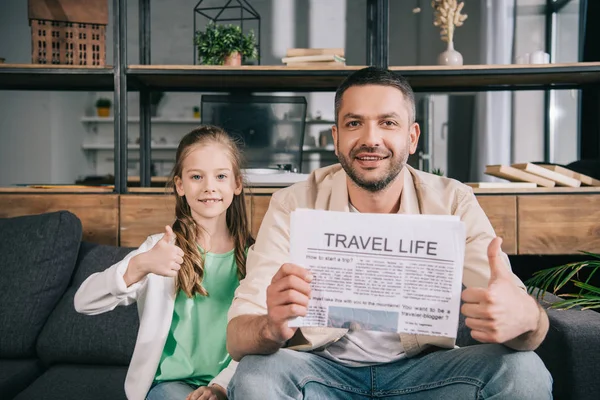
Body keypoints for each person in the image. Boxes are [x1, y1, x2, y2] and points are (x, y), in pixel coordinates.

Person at [225, 67, 553, 399]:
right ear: (336, 137)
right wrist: (270, 326)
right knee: (256, 374)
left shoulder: (453, 201)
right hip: (320, 373)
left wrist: (525, 318)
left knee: (523, 371)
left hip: (427, 373)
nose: (370, 139)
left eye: (388, 123)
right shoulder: (292, 203)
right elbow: (238, 336)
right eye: (354, 123)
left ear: (412, 137)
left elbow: (526, 329)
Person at [75, 126, 254, 400]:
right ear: (180, 185)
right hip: (170, 386)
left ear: (236, 184)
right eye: (196, 176)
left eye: (220, 176)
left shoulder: (255, 256)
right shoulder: (158, 249)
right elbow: (84, 302)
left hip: (233, 382)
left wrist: (220, 386)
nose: (209, 187)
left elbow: (257, 339)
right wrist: (141, 265)